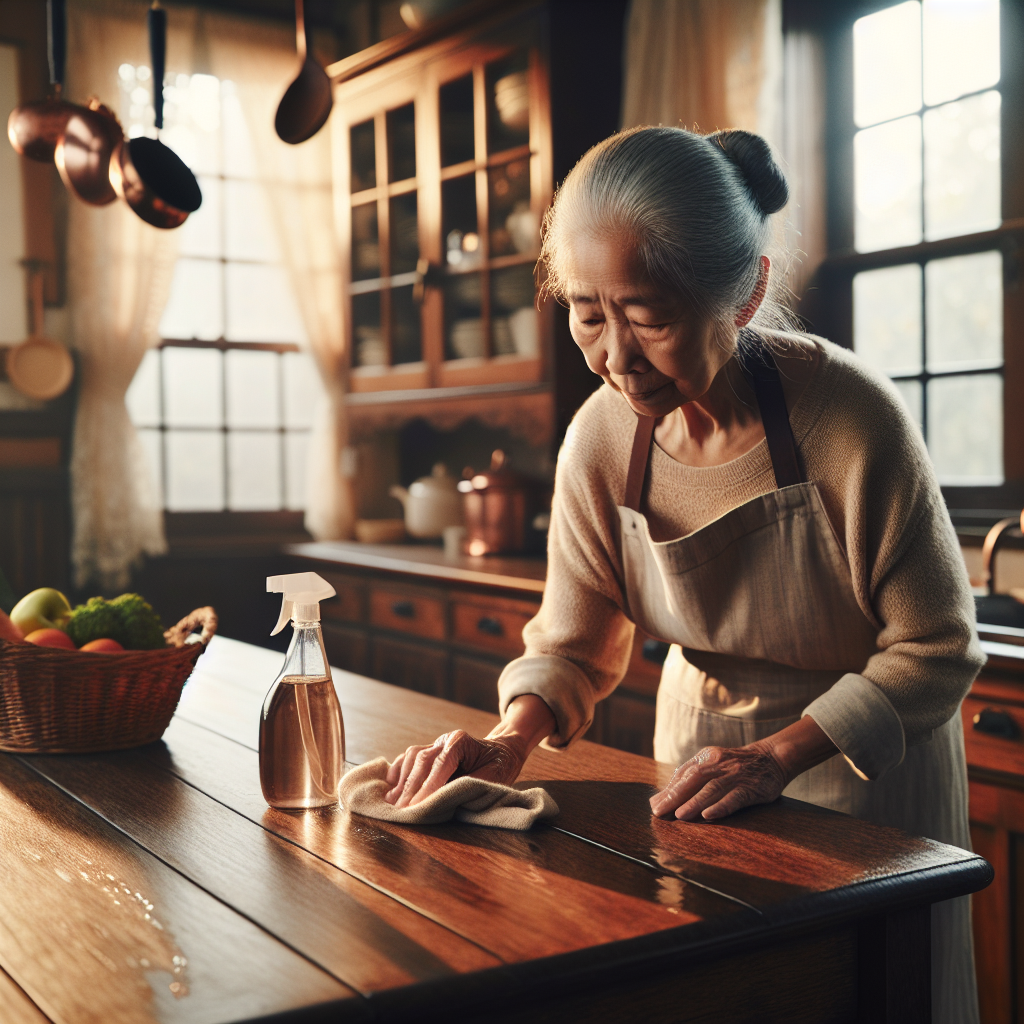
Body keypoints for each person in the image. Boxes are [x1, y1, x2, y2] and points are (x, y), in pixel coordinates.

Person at [383, 126, 983, 1022]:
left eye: (648, 316)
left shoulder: (850, 422)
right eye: (587, 312)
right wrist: (506, 743)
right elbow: (573, 642)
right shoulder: (601, 438)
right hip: (697, 767)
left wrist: (776, 759)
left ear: (744, 295)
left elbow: (936, 647)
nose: (614, 356)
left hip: (864, 774)